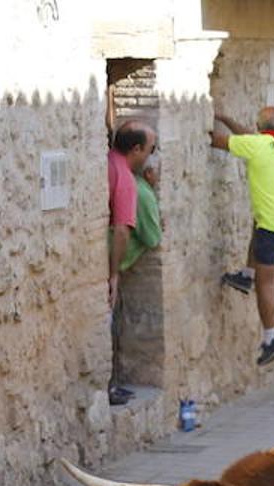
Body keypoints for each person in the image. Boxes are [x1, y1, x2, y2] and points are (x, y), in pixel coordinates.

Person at [211, 105, 274, 367]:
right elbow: (253, 140)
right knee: (259, 224)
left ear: (260, 127)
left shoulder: (258, 146)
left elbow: (217, 141)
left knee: (266, 282)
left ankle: (270, 339)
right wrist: (226, 116)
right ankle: (245, 274)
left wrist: (203, 125)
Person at [107, 123, 156, 406]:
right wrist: (113, 273)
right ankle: (110, 386)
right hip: (104, 261)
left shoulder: (109, 160)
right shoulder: (125, 177)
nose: (150, 156)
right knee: (108, 321)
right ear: (136, 149)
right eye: (150, 149)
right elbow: (123, 230)